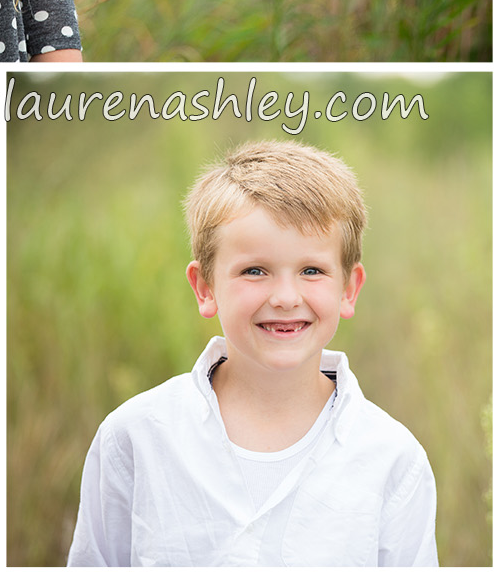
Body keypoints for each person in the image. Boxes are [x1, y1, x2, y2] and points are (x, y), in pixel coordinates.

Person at [68, 140, 438, 565]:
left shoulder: (393, 459)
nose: (284, 297)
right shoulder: (135, 437)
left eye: (311, 270)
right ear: (205, 288)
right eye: (254, 271)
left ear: (348, 289)